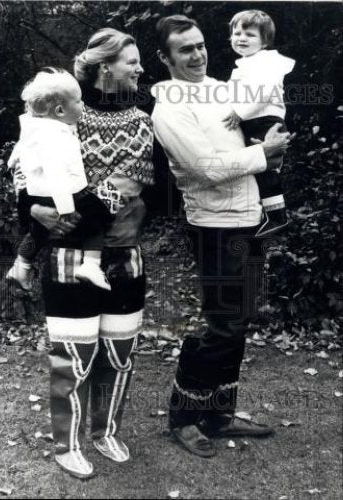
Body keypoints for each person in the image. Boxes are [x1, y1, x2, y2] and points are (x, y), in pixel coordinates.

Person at [12, 28, 154, 478]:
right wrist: (34, 208)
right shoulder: (62, 114)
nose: (139, 68)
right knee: (72, 357)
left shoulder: (142, 121)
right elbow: (22, 171)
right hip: (67, 259)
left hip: (122, 252)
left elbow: (131, 186)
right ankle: (67, 443)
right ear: (103, 67)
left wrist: (64, 221)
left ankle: (104, 430)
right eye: (130, 61)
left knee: (119, 352)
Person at [151, 15, 291, 458]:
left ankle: (219, 412)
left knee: (240, 318)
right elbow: (206, 169)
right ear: (165, 58)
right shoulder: (169, 107)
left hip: (249, 217)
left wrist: (272, 131)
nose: (196, 54)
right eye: (184, 49)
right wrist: (263, 153)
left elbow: (262, 106)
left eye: (199, 45)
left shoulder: (223, 87)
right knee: (223, 323)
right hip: (214, 226)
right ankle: (183, 415)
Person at [7, 69, 118, 291]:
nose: (83, 105)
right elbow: (56, 171)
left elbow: (13, 161)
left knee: (38, 231)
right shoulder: (56, 136)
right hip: (60, 194)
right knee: (99, 213)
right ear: (59, 110)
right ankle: (91, 265)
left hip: (36, 193)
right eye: (78, 101)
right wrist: (66, 208)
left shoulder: (33, 129)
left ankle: (22, 264)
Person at [224, 10, 295, 237]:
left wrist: (239, 113)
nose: (242, 38)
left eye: (250, 34)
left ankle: (278, 215)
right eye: (237, 33)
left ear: (264, 41)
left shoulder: (267, 62)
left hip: (265, 121)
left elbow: (264, 92)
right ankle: (262, 215)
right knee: (253, 168)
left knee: (267, 168)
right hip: (252, 121)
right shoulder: (243, 65)